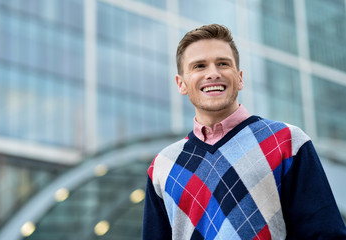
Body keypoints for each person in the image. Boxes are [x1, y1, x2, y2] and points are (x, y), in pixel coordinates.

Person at [142, 24, 346, 240]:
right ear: (181, 84)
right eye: (199, 66)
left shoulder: (288, 142)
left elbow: (326, 235)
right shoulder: (162, 166)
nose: (213, 73)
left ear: (239, 78)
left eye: (223, 63)